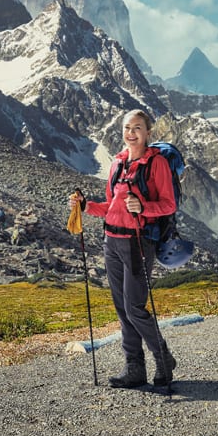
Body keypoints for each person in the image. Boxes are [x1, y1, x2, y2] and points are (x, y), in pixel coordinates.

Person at [70, 109, 177, 388]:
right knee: (122, 308)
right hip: (112, 240)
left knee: (134, 307)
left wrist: (144, 207)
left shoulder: (157, 164)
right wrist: (85, 206)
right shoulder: (117, 163)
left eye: (138, 128)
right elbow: (110, 207)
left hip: (138, 241)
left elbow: (169, 204)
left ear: (148, 133)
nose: (131, 133)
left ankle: (163, 357)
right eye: (128, 128)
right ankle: (135, 369)